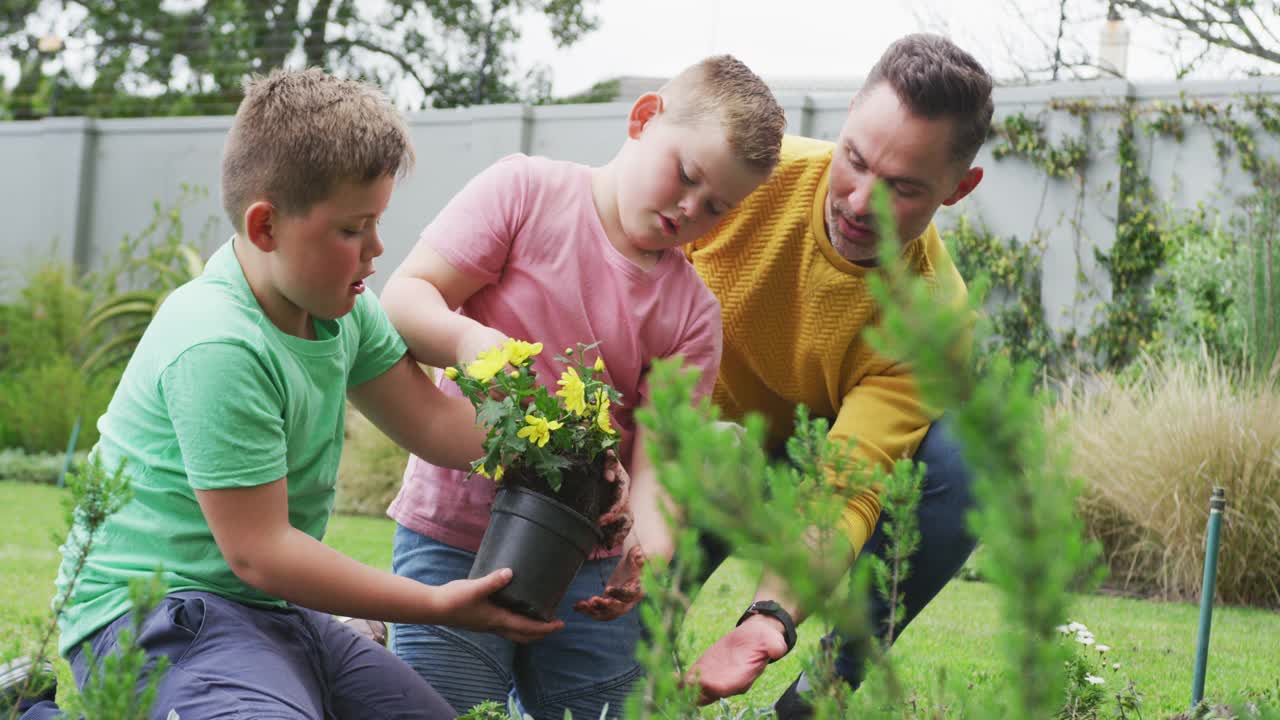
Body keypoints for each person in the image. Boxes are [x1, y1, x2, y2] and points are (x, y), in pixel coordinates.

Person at [21, 68, 560, 720]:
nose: (377, 249)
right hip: (150, 611)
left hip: (268, 611)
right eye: (352, 229)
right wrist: (436, 602)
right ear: (266, 227)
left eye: (377, 222)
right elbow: (261, 552)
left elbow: (441, 431)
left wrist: (549, 426)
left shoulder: (342, 315)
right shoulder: (217, 342)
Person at [380, 55, 787, 718]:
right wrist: (466, 341)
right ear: (644, 118)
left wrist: (647, 546)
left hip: (587, 562)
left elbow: (656, 465)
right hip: (453, 536)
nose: (690, 209)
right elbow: (404, 296)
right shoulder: (523, 192)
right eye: (685, 175)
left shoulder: (692, 316)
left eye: (717, 207)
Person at [606, 33, 991, 717]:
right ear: (845, 120)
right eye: (856, 160)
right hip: (689, 446)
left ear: (959, 190)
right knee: (620, 669)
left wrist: (769, 617)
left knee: (969, 463)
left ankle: (821, 692)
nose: (858, 201)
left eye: (903, 188)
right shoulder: (740, 180)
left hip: (806, 465)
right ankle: (639, 647)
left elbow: (845, 483)